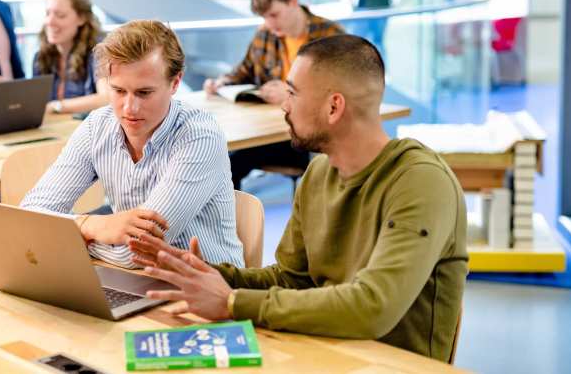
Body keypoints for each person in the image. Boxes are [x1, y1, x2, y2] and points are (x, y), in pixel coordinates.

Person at [130, 35, 468, 363]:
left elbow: (372, 307)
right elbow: (293, 279)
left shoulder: (422, 183)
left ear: (334, 107)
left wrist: (233, 302)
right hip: (323, 352)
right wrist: (207, 275)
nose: (284, 105)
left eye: (291, 92)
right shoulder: (319, 173)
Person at [20, 20, 244, 269]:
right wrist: (94, 225)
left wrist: (71, 235)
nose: (129, 108)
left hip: (205, 291)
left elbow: (138, 252)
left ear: (175, 83)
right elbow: (30, 216)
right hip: (128, 279)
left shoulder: (200, 137)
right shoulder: (97, 126)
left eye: (144, 93)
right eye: (118, 91)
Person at [203, 0, 346, 189]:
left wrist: (292, 95)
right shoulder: (265, 35)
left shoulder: (331, 36)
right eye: (264, 17)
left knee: (233, 161)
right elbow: (244, 72)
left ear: (293, 2)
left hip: (313, 139)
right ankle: (230, 222)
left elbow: (342, 89)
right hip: (274, 134)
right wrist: (221, 82)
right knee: (224, 164)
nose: (270, 24)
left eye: (274, 14)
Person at [33, 0, 109, 115]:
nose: (50, 22)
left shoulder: (99, 51)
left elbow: (107, 98)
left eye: (60, 15)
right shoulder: (40, 57)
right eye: (47, 13)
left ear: (81, 18)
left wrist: (56, 106)